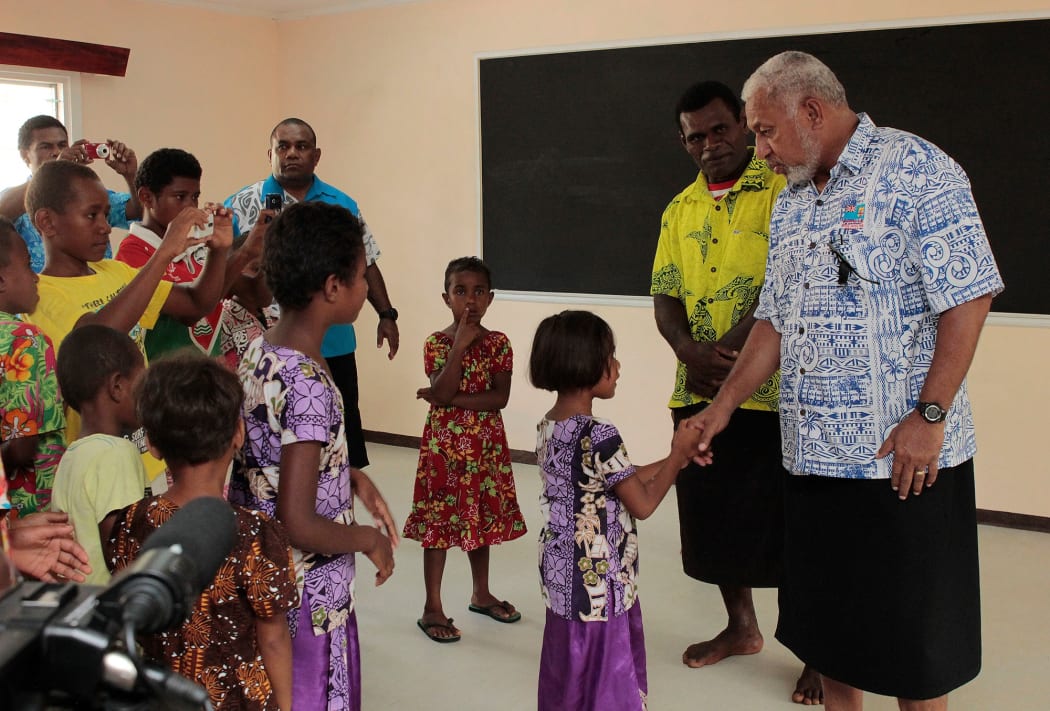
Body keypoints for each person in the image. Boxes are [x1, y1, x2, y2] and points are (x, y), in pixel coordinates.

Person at [688, 51, 1003, 710]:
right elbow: (773, 319)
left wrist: (932, 414)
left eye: (767, 130)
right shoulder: (794, 200)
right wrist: (721, 407)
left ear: (812, 109)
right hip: (811, 462)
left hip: (900, 462)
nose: (761, 148)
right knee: (831, 640)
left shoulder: (920, 171)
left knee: (914, 652)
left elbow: (968, 297)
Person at [650, 81, 821, 703]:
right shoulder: (679, 209)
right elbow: (664, 290)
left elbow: (786, 285)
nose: (709, 144)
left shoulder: (788, 191)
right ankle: (741, 627)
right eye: (695, 136)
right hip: (696, 386)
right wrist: (688, 352)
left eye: (719, 129)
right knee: (714, 516)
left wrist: (730, 354)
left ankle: (814, 653)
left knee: (791, 523)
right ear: (684, 142)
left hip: (777, 393)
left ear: (745, 128)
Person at [229, 201, 398, 710]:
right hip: (307, 597)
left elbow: (272, 456)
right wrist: (369, 539)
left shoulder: (263, 350)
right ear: (332, 287)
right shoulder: (309, 384)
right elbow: (298, 522)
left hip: (264, 578)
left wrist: (349, 477)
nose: (367, 287)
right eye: (360, 277)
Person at [529, 310, 702, 711]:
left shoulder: (549, 425)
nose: (618, 366)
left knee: (571, 662)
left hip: (561, 569)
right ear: (587, 364)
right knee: (605, 672)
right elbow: (641, 504)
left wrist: (676, 458)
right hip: (598, 576)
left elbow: (615, 477)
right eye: (612, 356)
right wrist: (676, 456)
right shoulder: (599, 432)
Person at [106, 352, 298, 711]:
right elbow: (273, 638)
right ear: (237, 434)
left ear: (153, 443)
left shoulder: (132, 521)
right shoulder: (257, 534)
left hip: (158, 697)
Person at [23, 159, 232, 479]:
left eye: (106, 214)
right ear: (48, 222)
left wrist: (219, 250)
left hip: (150, 455)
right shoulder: (42, 295)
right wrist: (163, 254)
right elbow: (94, 344)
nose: (105, 226)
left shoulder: (115, 273)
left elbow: (195, 304)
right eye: (91, 215)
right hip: (99, 462)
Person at [225, 118, 400, 469]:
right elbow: (221, 269)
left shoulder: (342, 203)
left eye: (301, 147)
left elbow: (366, 262)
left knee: (339, 439)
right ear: (270, 153)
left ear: (316, 155)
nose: (292, 154)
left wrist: (386, 313)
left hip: (332, 343)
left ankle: (337, 495)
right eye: (283, 147)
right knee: (271, 444)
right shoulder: (242, 203)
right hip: (265, 340)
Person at [402, 256, 527, 642]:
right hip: (444, 452)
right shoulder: (437, 343)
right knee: (438, 525)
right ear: (446, 297)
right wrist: (459, 346)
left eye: (478, 292)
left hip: (485, 450)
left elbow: (498, 398)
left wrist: (447, 400)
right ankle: (432, 607)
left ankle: (481, 592)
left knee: (483, 520)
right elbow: (440, 388)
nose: (469, 301)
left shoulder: (499, 343)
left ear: (490, 298)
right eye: (460, 291)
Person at [50, 324, 149, 585]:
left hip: (79, 605)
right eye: (142, 382)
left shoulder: (72, 455)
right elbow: (121, 552)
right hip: (111, 608)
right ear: (117, 386)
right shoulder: (116, 454)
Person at [0, 115, 141, 273]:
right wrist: (54, 171)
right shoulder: (14, 198)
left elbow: (137, 211)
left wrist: (131, 176)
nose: (56, 152)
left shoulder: (88, 195)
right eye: (45, 147)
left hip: (100, 290)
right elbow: (3, 210)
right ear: (25, 155)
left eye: (62, 145)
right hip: (45, 295)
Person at [0, 218, 65, 517]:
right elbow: (21, 447)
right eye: (27, 266)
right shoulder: (24, 339)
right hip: (32, 508)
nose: (36, 276)